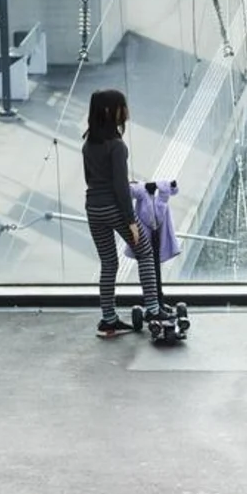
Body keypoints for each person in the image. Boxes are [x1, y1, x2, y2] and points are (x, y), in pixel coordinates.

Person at [81, 89, 160, 339]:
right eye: (122, 106)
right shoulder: (117, 146)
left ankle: (108, 319)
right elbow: (119, 187)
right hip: (114, 207)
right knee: (145, 252)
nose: (126, 111)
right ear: (109, 111)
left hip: (93, 208)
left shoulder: (88, 143)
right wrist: (130, 221)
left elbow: (90, 179)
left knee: (109, 262)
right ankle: (154, 310)